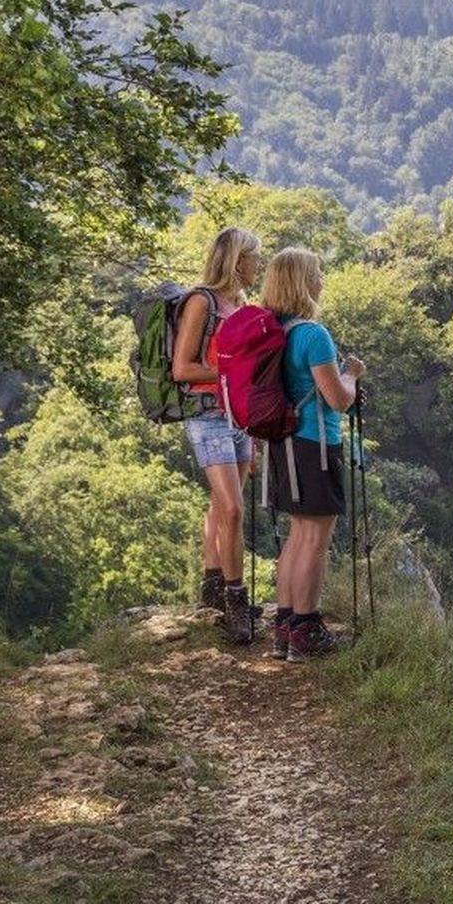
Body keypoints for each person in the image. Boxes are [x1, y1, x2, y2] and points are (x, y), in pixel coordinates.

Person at [260, 247, 365, 663]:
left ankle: (285, 628)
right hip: (315, 444)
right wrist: (352, 374)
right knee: (315, 539)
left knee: (297, 535)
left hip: (280, 444)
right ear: (304, 281)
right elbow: (338, 400)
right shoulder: (312, 334)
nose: (322, 278)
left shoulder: (274, 332)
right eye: (317, 273)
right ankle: (307, 629)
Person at [171, 226, 263, 643]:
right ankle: (236, 600)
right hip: (207, 416)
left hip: (239, 417)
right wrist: (232, 372)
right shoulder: (201, 302)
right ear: (236, 259)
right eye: (254, 257)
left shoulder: (240, 304)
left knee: (222, 505)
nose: (258, 265)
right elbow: (182, 369)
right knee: (232, 510)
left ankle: (211, 584)